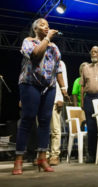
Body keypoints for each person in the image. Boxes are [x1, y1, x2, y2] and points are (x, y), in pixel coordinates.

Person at [12, 18, 69, 175]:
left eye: (48, 26)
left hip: (48, 87)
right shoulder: (28, 41)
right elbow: (36, 55)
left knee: (45, 121)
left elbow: (57, 69)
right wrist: (47, 38)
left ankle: (42, 158)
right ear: (35, 28)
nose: (46, 27)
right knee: (28, 119)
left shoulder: (54, 47)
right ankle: (19, 160)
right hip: (30, 84)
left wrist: (63, 89)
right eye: (42, 25)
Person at [49, 60, 68, 166]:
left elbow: (63, 80)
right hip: (41, 98)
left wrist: (61, 98)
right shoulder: (38, 59)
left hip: (55, 98)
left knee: (55, 129)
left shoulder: (59, 62)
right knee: (42, 128)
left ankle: (55, 155)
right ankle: (44, 154)